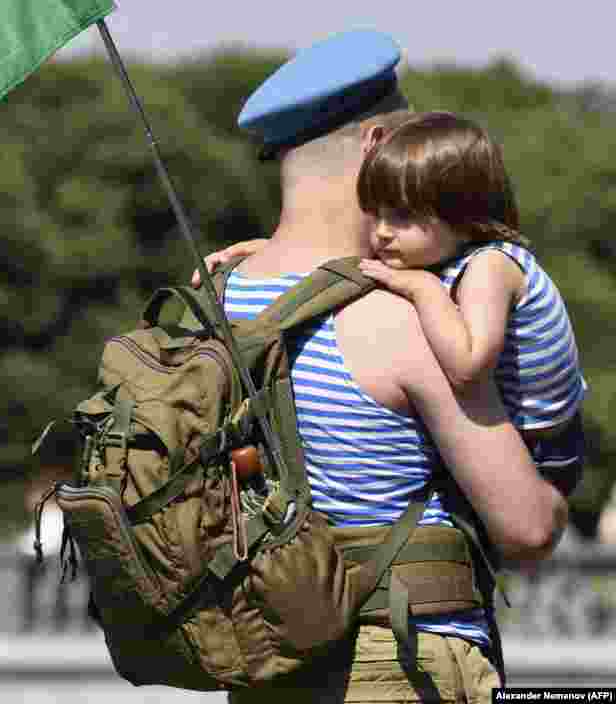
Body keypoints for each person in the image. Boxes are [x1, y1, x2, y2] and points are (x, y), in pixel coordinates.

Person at [191, 29, 568, 702]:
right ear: (375, 146)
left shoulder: (209, 300)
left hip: (266, 660)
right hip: (396, 659)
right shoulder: (405, 316)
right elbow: (527, 530)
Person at [354, 111, 587, 498]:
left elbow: (468, 368)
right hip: (516, 436)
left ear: (461, 214)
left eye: (402, 216)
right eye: (375, 214)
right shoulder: (441, 251)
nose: (381, 232)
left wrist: (422, 288)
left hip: (541, 455)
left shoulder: (489, 267)